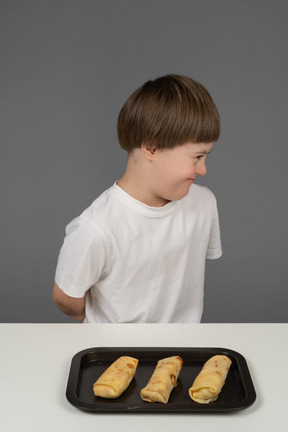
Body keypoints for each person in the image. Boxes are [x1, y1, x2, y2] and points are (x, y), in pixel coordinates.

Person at [52, 74, 222, 323]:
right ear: (151, 148)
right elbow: (66, 299)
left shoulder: (203, 203)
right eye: (197, 157)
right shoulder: (96, 228)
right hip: (115, 356)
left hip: (180, 355)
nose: (203, 169)